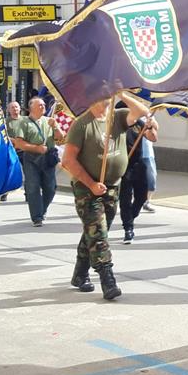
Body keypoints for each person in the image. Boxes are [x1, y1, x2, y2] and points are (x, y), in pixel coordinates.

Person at [61, 92, 149, 300]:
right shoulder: (81, 124)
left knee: (94, 232)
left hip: (111, 187)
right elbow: (68, 160)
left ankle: (80, 274)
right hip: (87, 188)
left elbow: (142, 112)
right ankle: (107, 278)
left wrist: (122, 93)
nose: (107, 96)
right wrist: (91, 184)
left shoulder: (118, 117)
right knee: (98, 234)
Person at [12, 97, 64, 226]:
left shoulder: (49, 121)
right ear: (32, 108)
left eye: (44, 104)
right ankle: (37, 217)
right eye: (40, 105)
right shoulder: (24, 122)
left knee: (50, 188)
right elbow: (19, 143)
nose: (43, 106)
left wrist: (56, 127)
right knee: (33, 187)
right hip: (31, 158)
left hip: (48, 158)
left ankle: (42, 209)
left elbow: (61, 138)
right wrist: (36, 148)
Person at [118, 111, 158, 244]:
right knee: (125, 198)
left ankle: (131, 216)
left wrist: (150, 126)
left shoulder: (139, 124)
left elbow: (153, 138)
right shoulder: (118, 125)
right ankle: (128, 229)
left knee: (142, 196)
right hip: (123, 165)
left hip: (139, 164)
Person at [0, 101, 25, 202]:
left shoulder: (25, 121)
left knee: (28, 172)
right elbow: (2, 135)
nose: (15, 109)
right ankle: (4, 193)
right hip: (11, 150)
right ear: (9, 110)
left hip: (23, 150)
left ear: (20, 109)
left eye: (16, 107)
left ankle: (28, 193)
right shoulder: (5, 122)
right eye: (12, 108)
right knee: (8, 172)